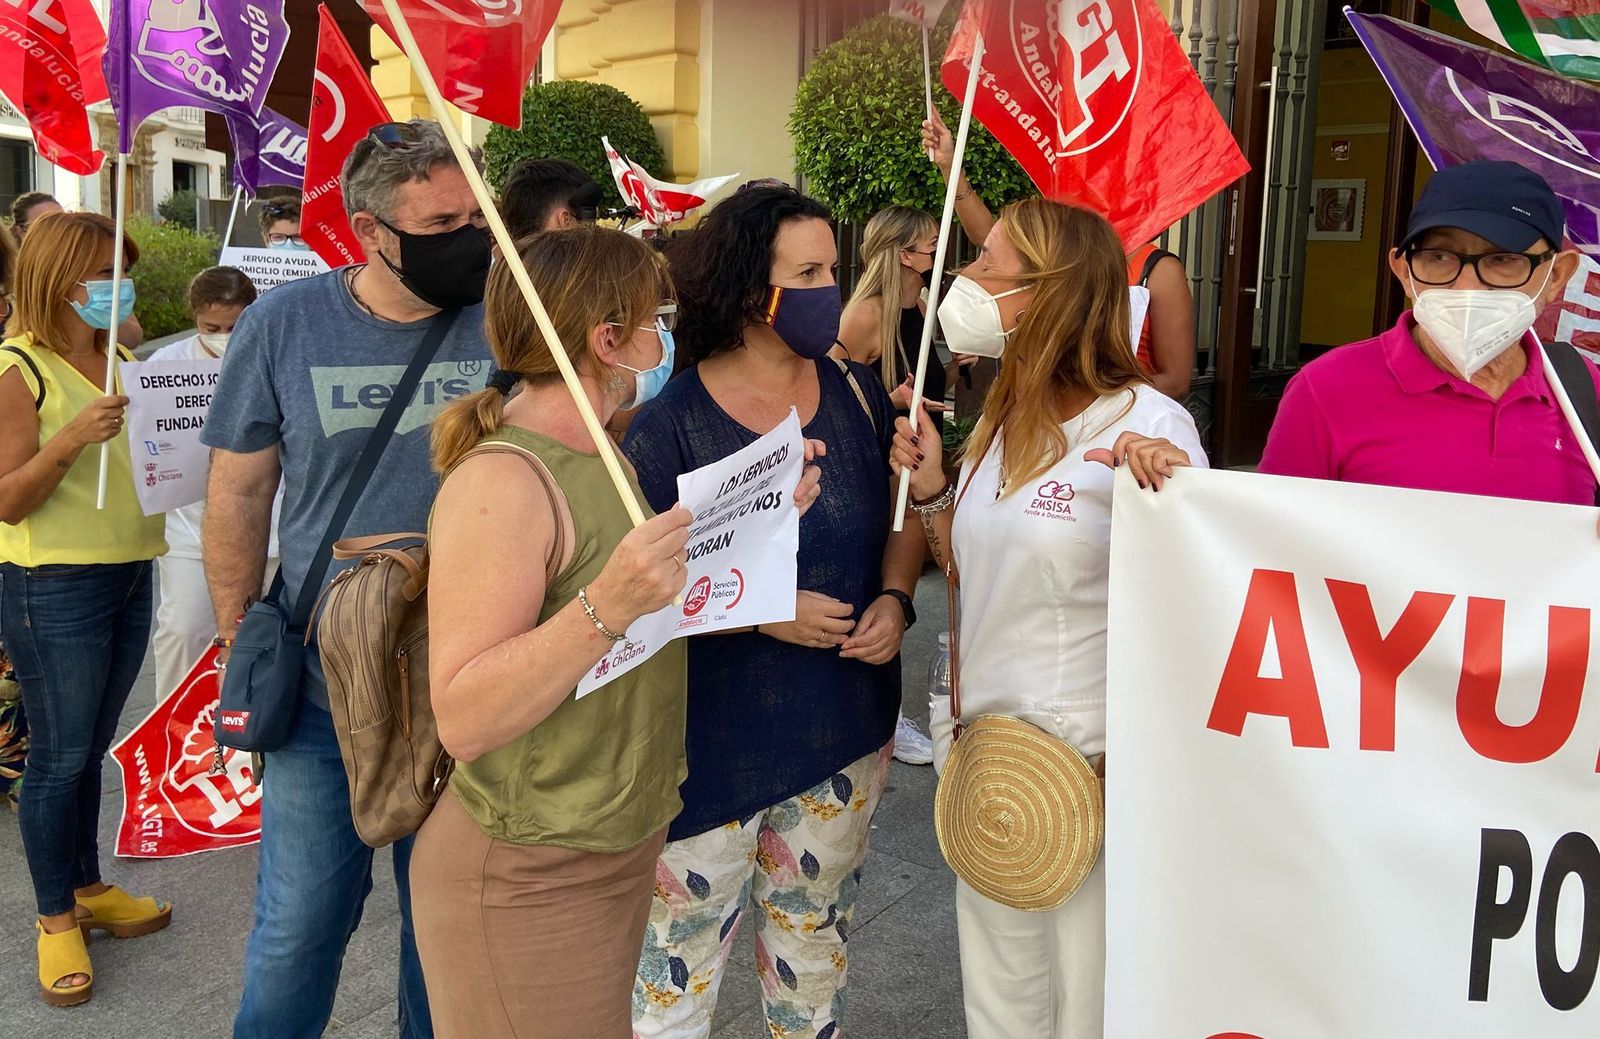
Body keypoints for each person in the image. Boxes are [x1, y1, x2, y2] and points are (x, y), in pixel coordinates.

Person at [202, 120, 494, 1039]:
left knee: (442, 929)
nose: (471, 238)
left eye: (474, 215)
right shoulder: (282, 324)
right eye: (442, 221)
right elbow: (241, 489)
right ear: (371, 232)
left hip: (469, 668)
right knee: (300, 926)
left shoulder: (511, 315)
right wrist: (235, 630)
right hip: (330, 675)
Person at [891, 198, 1207, 1038]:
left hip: (1096, 773)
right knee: (998, 1005)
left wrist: (1179, 503)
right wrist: (931, 490)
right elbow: (967, 564)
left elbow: (1197, 610)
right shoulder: (1002, 416)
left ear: (1055, 293)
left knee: (1090, 1008)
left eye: (990, 265)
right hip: (992, 763)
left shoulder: (1153, 424)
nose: (964, 279)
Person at [624, 186, 924, 1039]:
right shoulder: (668, 427)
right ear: (751, 290)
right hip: (707, 755)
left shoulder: (859, 394)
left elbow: (899, 521)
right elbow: (633, 598)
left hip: (842, 734)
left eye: (832, 267)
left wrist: (898, 600)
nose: (833, 288)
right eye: (810, 272)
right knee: (674, 989)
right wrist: (762, 610)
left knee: (813, 971)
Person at [0, 211, 170, 1007]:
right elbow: (8, 501)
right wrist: (70, 438)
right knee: (58, 756)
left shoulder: (120, 357)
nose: (118, 285)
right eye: (106, 271)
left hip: (130, 568)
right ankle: (53, 916)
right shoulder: (17, 367)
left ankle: (88, 884)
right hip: (53, 583)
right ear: (61, 277)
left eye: (123, 270)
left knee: (90, 744)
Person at [1256, 161, 1591, 502]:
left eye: (1503, 260)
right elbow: (1273, 536)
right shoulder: (1326, 389)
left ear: (1557, 276)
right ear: (1404, 271)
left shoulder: (1584, 389)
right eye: (1440, 256)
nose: (1466, 288)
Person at [921, 110, 1195, 397]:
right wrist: (950, 167)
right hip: (1040, 412)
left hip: (1119, 431)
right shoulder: (1056, 245)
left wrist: (1088, 398)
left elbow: (1175, 380)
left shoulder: (1158, 270)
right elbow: (991, 242)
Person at [832, 204, 965, 767]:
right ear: (905, 253)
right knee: (878, 580)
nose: (938, 251)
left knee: (900, 587)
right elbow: (833, 394)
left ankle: (885, 713)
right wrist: (887, 404)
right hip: (881, 462)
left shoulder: (920, 306)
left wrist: (956, 371)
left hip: (915, 458)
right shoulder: (868, 313)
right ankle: (877, 715)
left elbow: (929, 380)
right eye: (931, 243)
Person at [148, 267, 280, 702]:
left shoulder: (276, 356)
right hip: (191, 531)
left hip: (275, 530)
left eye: (235, 326)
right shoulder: (165, 367)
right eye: (212, 328)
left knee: (272, 646)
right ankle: (172, 731)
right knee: (183, 633)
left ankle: (252, 743)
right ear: (194, 318)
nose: (224, 336)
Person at [499, 157, 597, 238]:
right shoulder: (592, 259)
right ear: (566, 221)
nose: (594, 231)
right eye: (587, 221)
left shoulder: (511, 259)